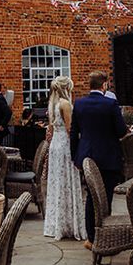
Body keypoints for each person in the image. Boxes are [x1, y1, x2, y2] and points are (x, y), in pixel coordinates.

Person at [70, 70, 127, 249]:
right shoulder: (111, 104)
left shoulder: (79, 104)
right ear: (104, 85)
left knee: (91, 196)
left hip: (87, 157)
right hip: (108, 157)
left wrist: (75, 157)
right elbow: (121, 131)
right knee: (106, 196)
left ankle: (91, 237)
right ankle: (104, 234)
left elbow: (73, 133)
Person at [43, 77, 85, 240]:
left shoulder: (52, 104)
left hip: (55, 145)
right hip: (65, 146)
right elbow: (70, 129)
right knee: (66, 182)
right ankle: (68, 224)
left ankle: (56, 224)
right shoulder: (65, 104)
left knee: (57, 183)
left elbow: (51, 128)